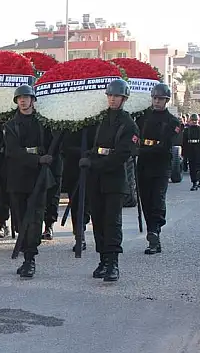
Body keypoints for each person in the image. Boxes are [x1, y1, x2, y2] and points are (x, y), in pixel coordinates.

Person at [79, 79, 139, 282]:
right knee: (98, 220)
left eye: (116, 96)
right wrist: (87, 156)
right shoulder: (101, 120)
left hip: (114, 179)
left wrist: (95, 164)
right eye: (110, 95)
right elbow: (96, 147)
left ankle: (113, 262)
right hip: (96, 179)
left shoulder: (128, 124)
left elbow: (121, 155)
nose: (112, 99)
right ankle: (103, 260)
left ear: (124, 98)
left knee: (112, 222)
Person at [4, 84, 54, 278]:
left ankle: (30, 258)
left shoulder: (43, 123)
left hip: (39, 178)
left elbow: (51, 146)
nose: (23, 101)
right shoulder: (11, 125)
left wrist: (48, 158)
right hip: (18, 177)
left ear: (33, 100)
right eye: (20, 98)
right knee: (19, 217)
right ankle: (25, 252)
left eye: (26, 97)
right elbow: (13, 151)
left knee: (35, 218)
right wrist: (37, 159)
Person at [135, 83, 181, 255]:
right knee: (146, 200)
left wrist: (143, 148)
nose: (156, 101)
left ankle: (155, 231)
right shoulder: (143, 117)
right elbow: (136, 136)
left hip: (161, 166)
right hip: (144, 164)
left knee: (157, 199)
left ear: (166, 100)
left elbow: (165, 145)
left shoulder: (172, 121)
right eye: (154, 98)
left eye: (160, 99)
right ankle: (151, 232)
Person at [182, 113, 200, 191]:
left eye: (196, 120)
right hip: (190, 149)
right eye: (193, 120)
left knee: (198, 167)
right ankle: (195, 182)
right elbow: (184, 143)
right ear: (190, 121)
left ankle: (197, 182)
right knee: (192, 167)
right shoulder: (186, 130)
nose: (194, 122)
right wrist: (184, 155)